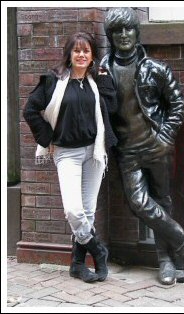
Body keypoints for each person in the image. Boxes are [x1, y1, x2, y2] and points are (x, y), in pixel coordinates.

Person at [100, 7, 184, 285]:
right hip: (126, 151)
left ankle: (167, 261)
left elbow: (178, 104)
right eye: (117, 31)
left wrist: (166, 137)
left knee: (162, 202)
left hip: (156, 146)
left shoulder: (155, 69)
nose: (123, 35)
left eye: (128, 29)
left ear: (137, 31)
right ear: (110, 36)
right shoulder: (103, 70)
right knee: (138, 202)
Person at [23, 32, 118, 283]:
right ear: (69, 54)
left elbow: (113, 108)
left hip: (94, 152)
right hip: (67, 153)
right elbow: (30, 110)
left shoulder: (96, 81)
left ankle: (77, 265)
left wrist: (106, 80)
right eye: (77, 50)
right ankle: (98, 250)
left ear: (92, 56)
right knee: (73, 211)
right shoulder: (54, 80)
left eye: (86, 51)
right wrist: (48, 139)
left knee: (87, 211)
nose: (81, 55)